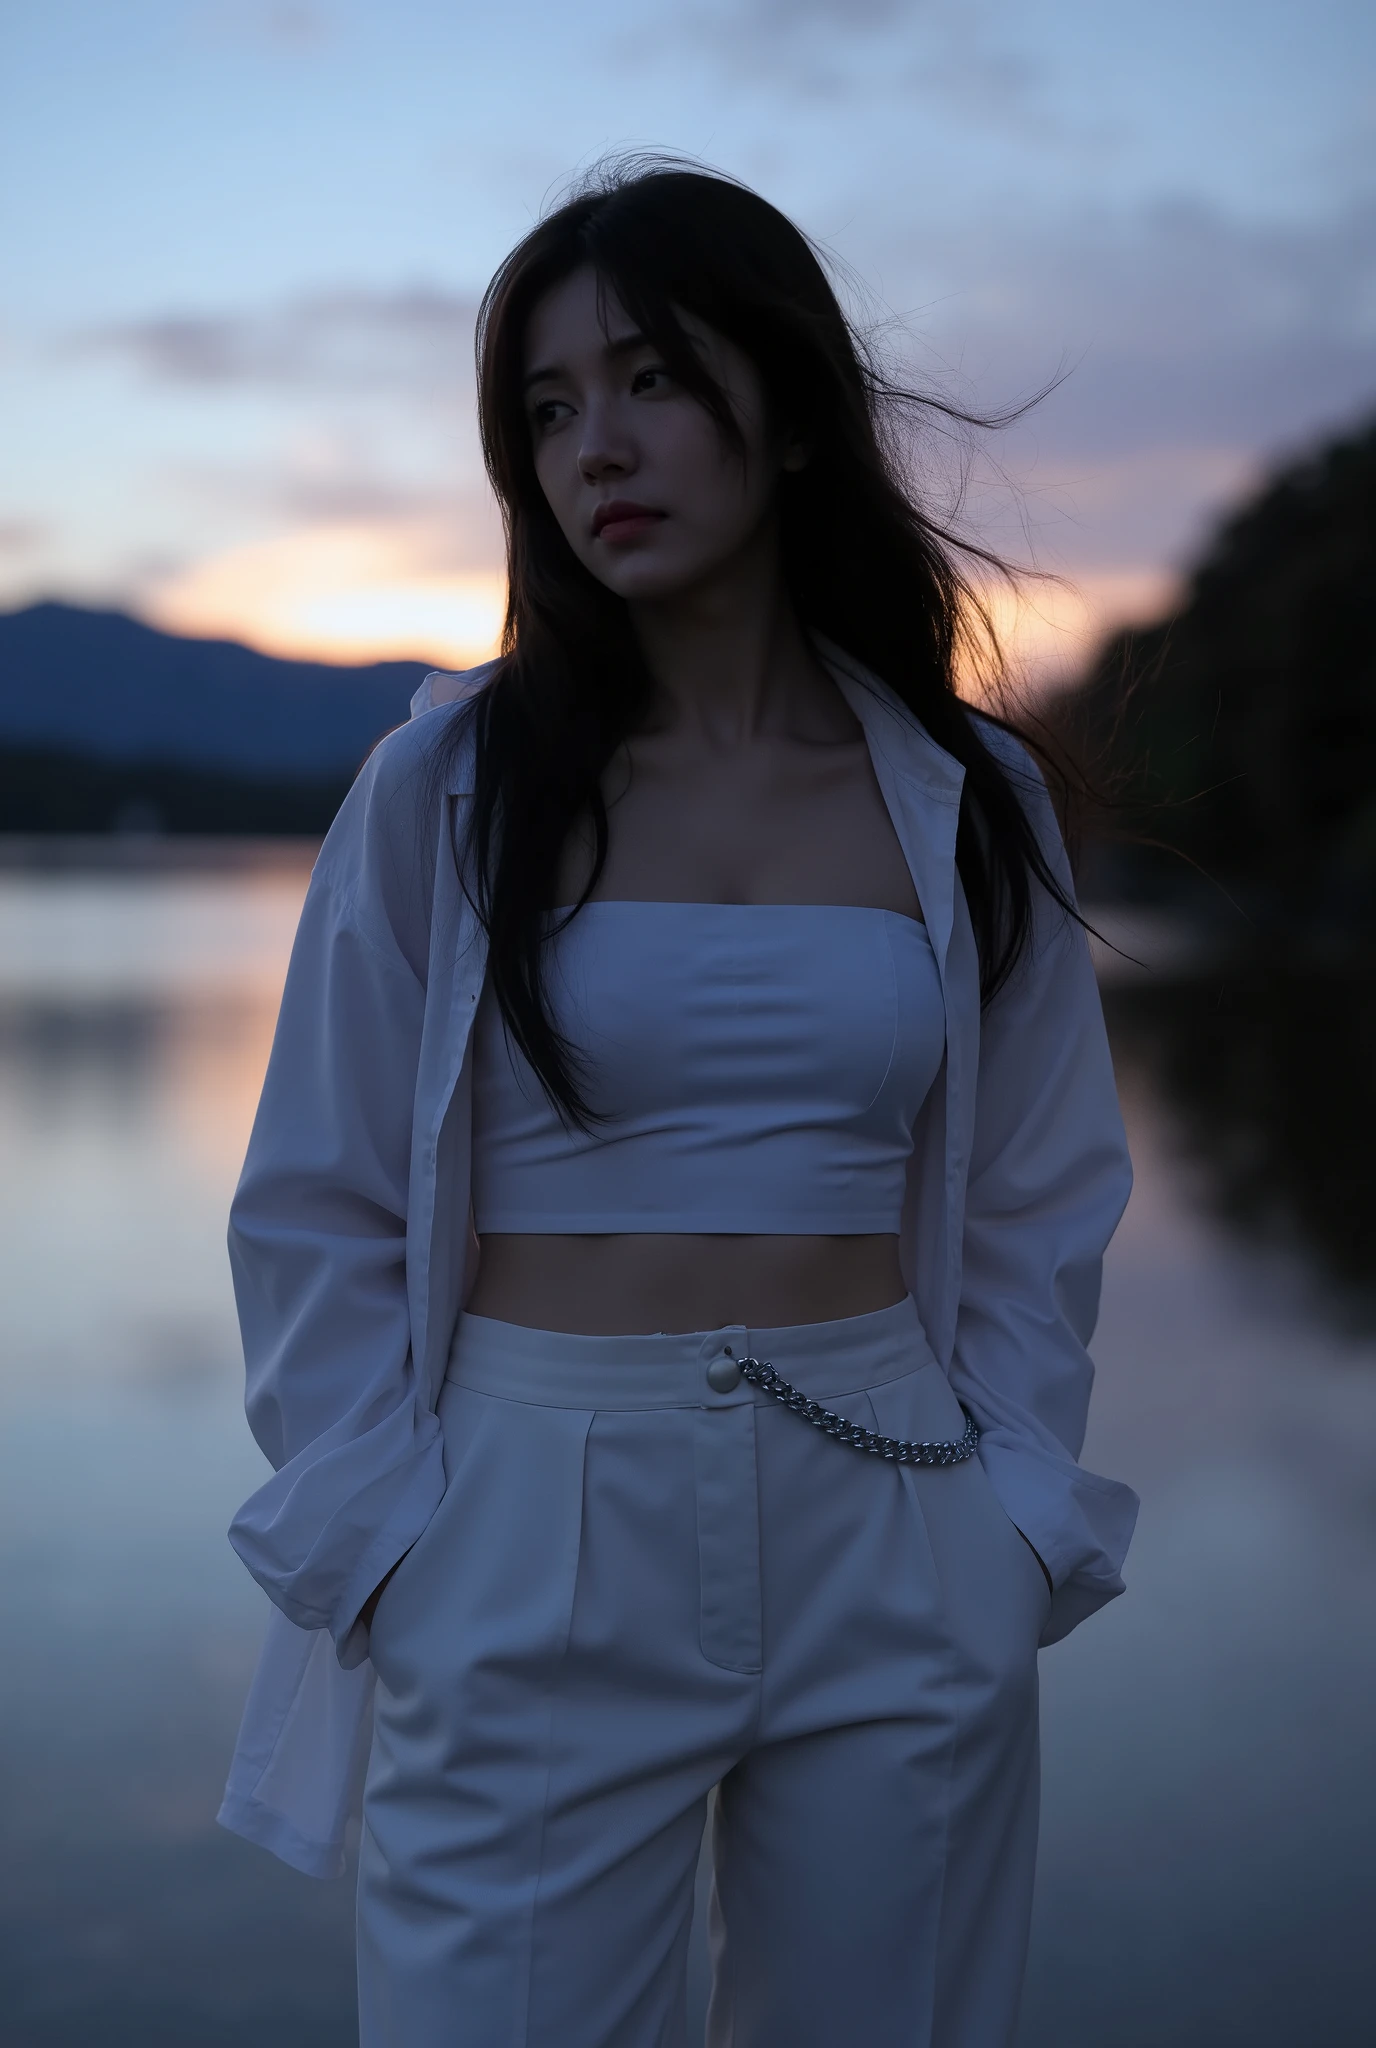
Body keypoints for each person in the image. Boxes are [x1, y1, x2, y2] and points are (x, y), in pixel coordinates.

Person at [217, 159, 1138, 2048]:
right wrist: (393, 1540)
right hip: (528, 1519)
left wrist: (1012, 1521)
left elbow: (1044, 1192)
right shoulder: (448, 789)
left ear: (791, 417)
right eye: (549, 410)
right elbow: (318, 1197)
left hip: (901, 1510)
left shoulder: (963, 799)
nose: (597, 450)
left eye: (650, 379)